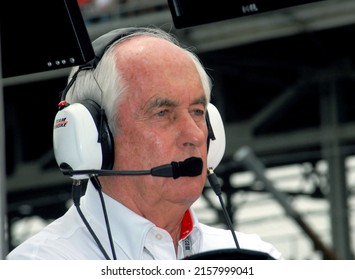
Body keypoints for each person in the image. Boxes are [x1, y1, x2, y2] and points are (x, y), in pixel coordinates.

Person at [6, 26, 283, 260]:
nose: (196, 136)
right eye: (162, 113)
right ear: (95, 136)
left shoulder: (255, 256)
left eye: (198, 112)